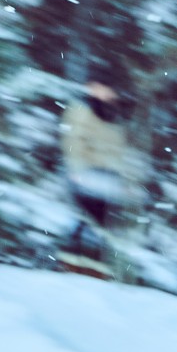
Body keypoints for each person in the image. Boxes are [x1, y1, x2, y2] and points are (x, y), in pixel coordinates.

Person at [59, 80, 136, 272]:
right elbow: (73, 140)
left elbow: (118, 151)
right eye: (102, 89)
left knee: (102, 223)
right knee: (86, 218)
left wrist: (123, 179)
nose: (108, 93)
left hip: (108, 177)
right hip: (87, 171)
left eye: (109, 90)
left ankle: (94, 264)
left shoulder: (115, 116)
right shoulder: (81, 110)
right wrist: (76, 168)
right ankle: (73, 260)